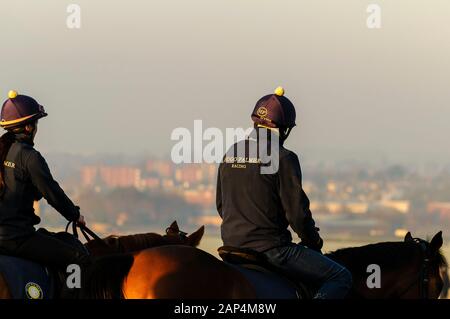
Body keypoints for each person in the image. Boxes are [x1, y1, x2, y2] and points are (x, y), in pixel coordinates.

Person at [216, 87, 352, 299]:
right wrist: (312, 240)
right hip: (272, 250)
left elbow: (221, 205)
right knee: (341, 276)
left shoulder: (231, 153)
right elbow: (297, 214)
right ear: (285, 128)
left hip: (231, 246)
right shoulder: (284, 157)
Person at [0, 90, 90, 272]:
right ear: (29, 127)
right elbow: (52, 193)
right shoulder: (29, 157)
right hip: (16, 238)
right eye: (36, 123)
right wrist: (74, 215)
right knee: (78, 261)